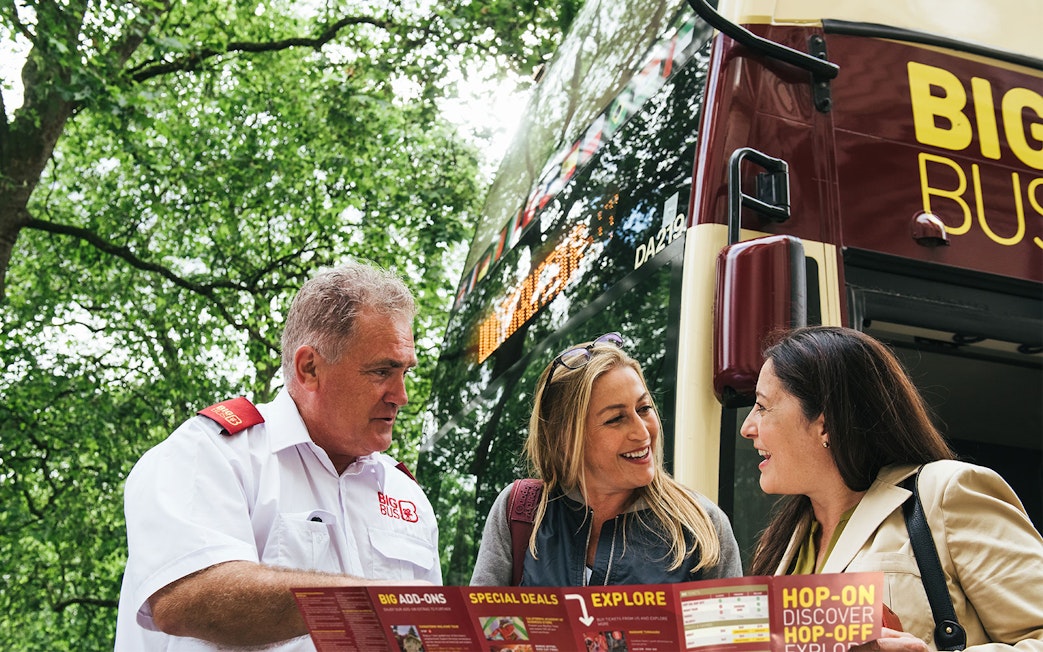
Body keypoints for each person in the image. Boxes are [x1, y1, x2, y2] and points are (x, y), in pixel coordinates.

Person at [115, 262, 441, 651]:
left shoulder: (407, 495)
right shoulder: (211, 453)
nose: (400, 395)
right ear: (309, 368)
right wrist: (374, 601)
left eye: (406, 371)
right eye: (382, 371)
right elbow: (184, 599)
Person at [742, 326, 1043, 652]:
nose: (747, 428)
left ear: (825, 423)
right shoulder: (778, 546)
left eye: (761, 406)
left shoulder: (944, 493)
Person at [470, 332, 742, 586]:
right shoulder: (520, 511)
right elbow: (479, 631)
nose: (641, 431)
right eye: (616, 419)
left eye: (644, 408)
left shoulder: (702, 524)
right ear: (565, 439)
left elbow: (733, 636)